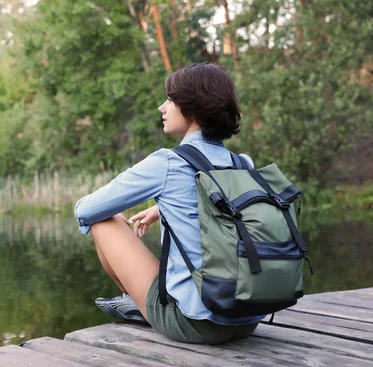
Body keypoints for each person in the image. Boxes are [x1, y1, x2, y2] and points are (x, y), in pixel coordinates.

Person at [74, 63, 264, 344]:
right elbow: (226, 216)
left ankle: (141, 304)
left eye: (171, 100)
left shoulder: (167, 163)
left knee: (103, 220)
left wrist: (102, 209)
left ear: (193, 107)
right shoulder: (243, 163)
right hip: (248, 318)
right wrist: (163, 207)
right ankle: (142, 303)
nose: (162, 108)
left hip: (195, 322)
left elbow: (86, 209)